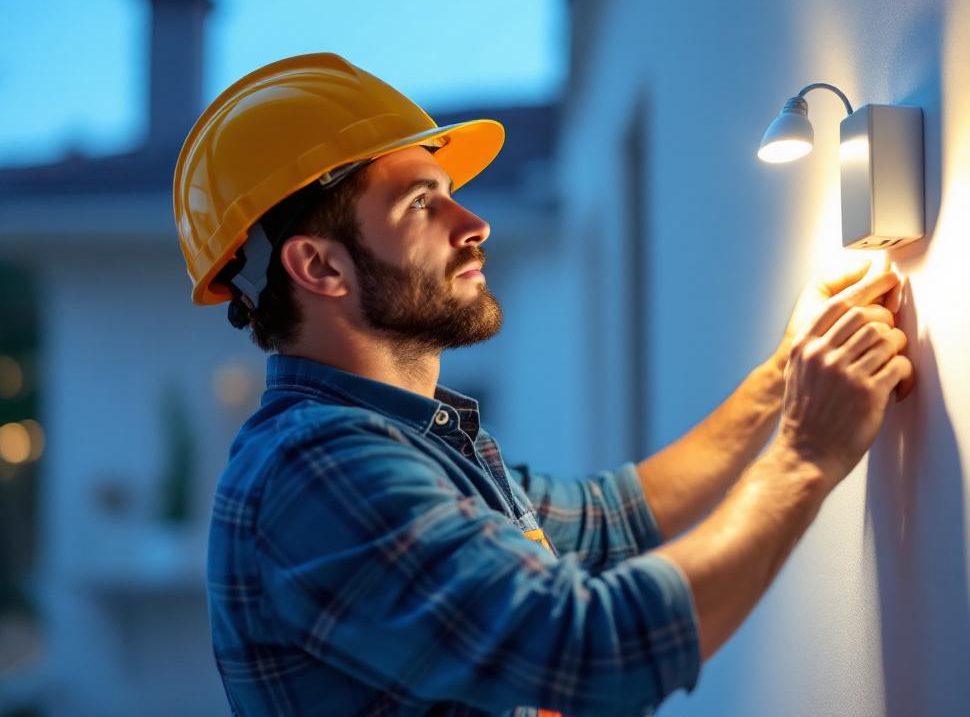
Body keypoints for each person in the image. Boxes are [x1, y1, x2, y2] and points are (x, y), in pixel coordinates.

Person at [175, 52, 914, 717]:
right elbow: (587, 650)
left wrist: (784, 371)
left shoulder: (412, 443)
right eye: (422, 203)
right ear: (320, 268)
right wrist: (804, 456)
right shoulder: (320, 467)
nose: (475, 223)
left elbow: (610, 518)